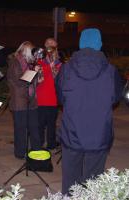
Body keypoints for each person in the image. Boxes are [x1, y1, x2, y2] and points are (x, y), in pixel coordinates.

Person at [56, 28, 123, 194]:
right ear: (99, 44)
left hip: (72, 131)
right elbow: (115, 98)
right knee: (93, 182)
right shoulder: (111, 71)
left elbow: (60, 98)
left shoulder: (66, 69)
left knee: (71, 182)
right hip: (98, 133)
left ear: (81, 43)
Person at [7, 41, 41, 159]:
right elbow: (19, 81)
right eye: (31, 51)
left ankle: (37, 150)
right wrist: (33, 72)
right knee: (20, 128)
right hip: (19, 101)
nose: (33, 54)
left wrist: (37, 76)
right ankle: (20, 152)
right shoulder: (14, 62)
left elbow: (32, 81)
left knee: (34, 126)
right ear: (25, 50)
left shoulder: (29, 62)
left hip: (31, 99)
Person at [35, 38, 61, 150]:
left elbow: (58, 78)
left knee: (51, 124)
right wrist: (47, 67)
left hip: (53, 98)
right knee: (40, 123)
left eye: (54, 47)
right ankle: (39, 143)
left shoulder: (58, 62)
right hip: (41, 97)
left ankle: (51, 143)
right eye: (49, 46)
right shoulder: (39, 60)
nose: (51, 49)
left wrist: (54, 67)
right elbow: (38, 78)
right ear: (45, 47)